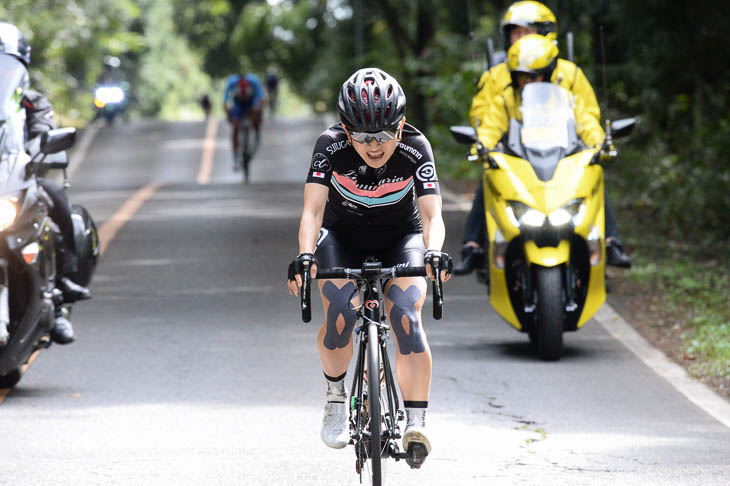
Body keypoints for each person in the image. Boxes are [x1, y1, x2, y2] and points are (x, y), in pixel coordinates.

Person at [287, 68, 452, 465]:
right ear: (346, 129)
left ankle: (416, 422)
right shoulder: (329, 146)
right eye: (361, 135)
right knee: (340, 313)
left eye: (383, 134)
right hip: (342, 238)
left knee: (408, 316)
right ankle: (336, 399)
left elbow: (432, 215)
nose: (373, 145)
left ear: (401, 126)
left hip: (402, 237)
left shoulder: (416, 146)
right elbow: (312, 210)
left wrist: (433, 253)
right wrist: (305, 255)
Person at [453, 1, 631, 275]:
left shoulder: (569, 74)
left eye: (528, 32)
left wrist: (597, 144)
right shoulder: (499, 76)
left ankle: (611, 241)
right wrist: (485, 144)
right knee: (489, 180)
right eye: (515, 33)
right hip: (515, 154)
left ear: (546, 33)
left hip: (563, 152)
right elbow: (485, 116)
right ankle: (473, 245)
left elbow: (586, 115)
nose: (521, 38)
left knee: (593, 176)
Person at [0, 21, 91, 344]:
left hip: (18, 179)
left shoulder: (31, 101)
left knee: (55, 198)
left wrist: (42, 147)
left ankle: (62, 289)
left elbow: (43, 131)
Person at [223, 73, 263, 168]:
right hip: (238, 105)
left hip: (251, 103)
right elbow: (225, 99)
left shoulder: (254, 82)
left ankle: (257, 136)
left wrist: (258, 110)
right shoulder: (231, 83)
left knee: (256, 116)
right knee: (235, 127)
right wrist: (227, 111)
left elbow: (261, 99)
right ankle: (235, 157)